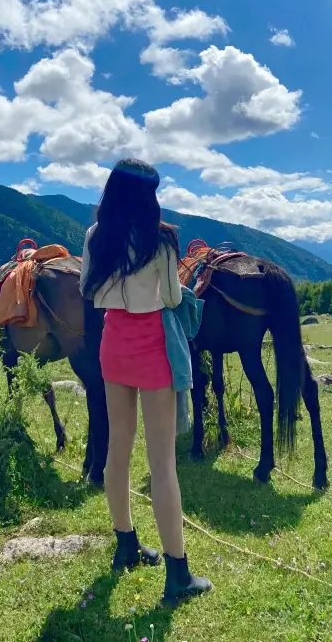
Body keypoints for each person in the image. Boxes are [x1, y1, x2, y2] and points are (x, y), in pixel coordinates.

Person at [80, 158, 212, 603]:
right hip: (154, 347)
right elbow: (172, 297)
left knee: (118, 449)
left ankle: (126, 545)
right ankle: (178, 574)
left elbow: (87, 290)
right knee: (162, 463)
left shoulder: (97, 237)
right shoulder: (163, 240)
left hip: (113, 345)